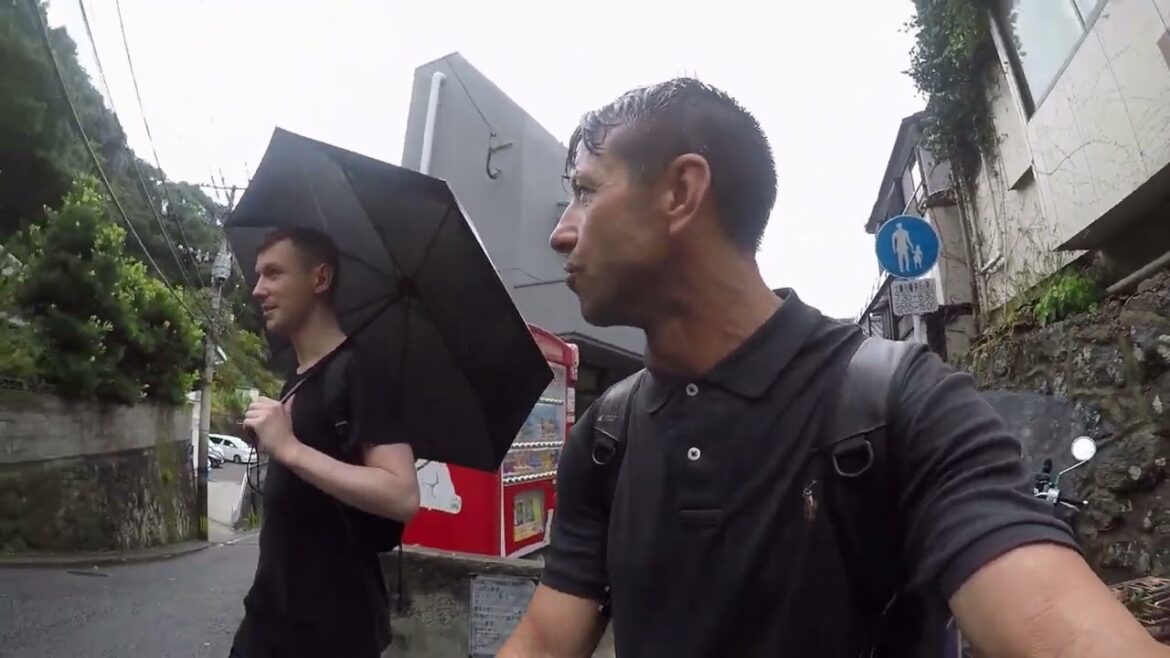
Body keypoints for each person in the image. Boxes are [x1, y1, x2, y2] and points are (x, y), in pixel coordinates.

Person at [499, 78, 1168, 657]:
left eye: (585, 192)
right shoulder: (604, 438)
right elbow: (546, 640)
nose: (561, 231)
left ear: (681, 191)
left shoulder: (902, 404)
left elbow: (1052, 624)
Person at [230, 227, 420, 658]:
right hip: (267, 620)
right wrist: (275, 441)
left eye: (274, 273)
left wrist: (290, 449)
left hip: (332, 633)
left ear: (320, 279)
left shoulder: (361, 372)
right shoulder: (298, 377)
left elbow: (402, 493)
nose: (258, 289)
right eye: (258, 275)